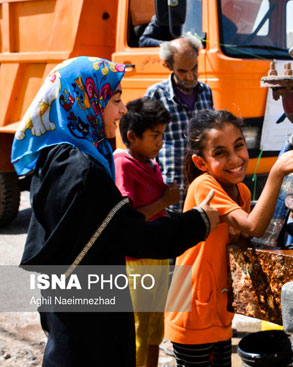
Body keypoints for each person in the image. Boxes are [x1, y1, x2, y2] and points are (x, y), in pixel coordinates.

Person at [10, 56, 219, 367]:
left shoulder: (54, 156)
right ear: (84, 99)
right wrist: (199, 221)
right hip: (92, 323)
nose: (122, 110)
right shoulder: (84, 171)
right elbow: (135, 236)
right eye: (115, 99)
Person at [164, 110, 293, 367]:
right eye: (220, 153)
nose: (235, 159)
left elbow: (247, 237)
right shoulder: (205, 186)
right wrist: (275, 174)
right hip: (192, 312)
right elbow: (252, 226)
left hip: (216, 309)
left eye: (239, 146)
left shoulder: (240, 190)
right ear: (201, 163)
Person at [114, 97, 179, 367]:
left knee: (154, 329)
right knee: (138, 329)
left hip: (158, 256)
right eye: (155, 135)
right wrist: (165, 201)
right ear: (132, 136)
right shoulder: (123, 164)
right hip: (137, 263)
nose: (161, 141)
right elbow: (125, 217)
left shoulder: (151, 162)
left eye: (162, 135)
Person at [145, 34, 214, 213]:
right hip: (172, 185)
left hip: (202, 182)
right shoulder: (156, 95)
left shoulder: (206, 92)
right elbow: (145, 146)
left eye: (194, 68)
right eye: (183, 71)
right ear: (169, 66)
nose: (191, 76)